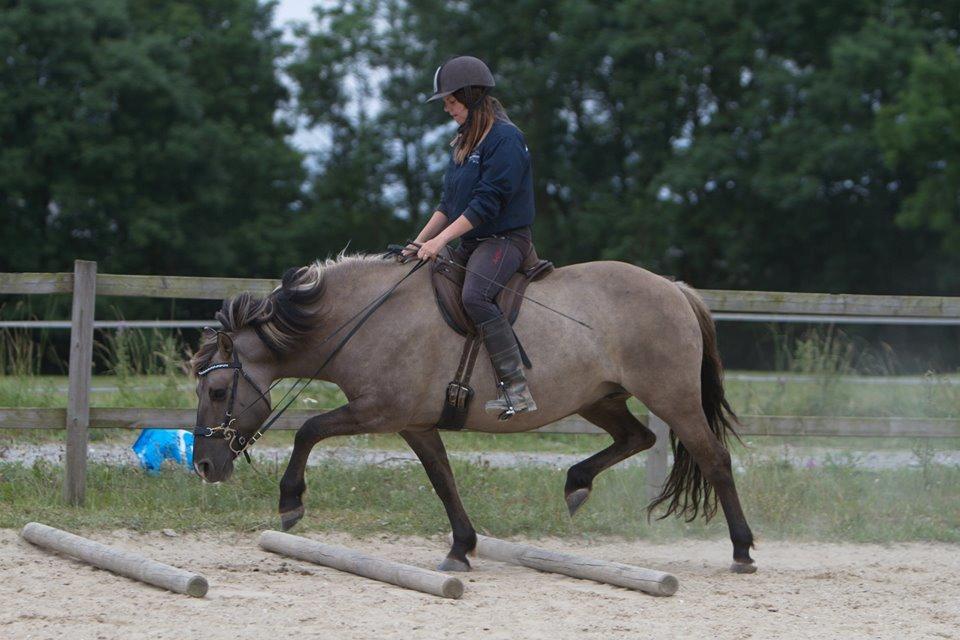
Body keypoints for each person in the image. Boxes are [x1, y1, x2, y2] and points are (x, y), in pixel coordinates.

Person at [403, 55, 537, 420]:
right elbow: (449, 203)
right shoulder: (464, 141)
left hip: (504, 240)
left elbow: (485, 204)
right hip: (473, 240)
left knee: (475, 296)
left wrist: (440, 242)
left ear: (472, 96)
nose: (447, 108)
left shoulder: (506, 140)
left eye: (451, 101)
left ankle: (517, 388)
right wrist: (419, 243)